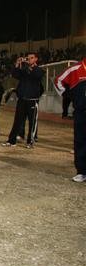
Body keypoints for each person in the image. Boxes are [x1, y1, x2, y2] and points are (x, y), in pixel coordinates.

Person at [54, 53, 86, 182]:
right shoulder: (75, 69)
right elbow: (58, 81)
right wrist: (69, 95)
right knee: (81, 141)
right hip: (81, 112)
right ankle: (82, 171)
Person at [2, 53, 44, 148]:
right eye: (28, 58)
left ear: (36, 59)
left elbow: (36, 76)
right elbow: (15, 74)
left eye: (31, 58)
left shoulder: (39, 70)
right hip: (22, 99)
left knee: (32, 123)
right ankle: (11, 141)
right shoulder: (24, 70)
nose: (29, 59)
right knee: (17, 121)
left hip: (32, 100)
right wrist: (17, 64)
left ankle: (30, 142)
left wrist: (28, 66)